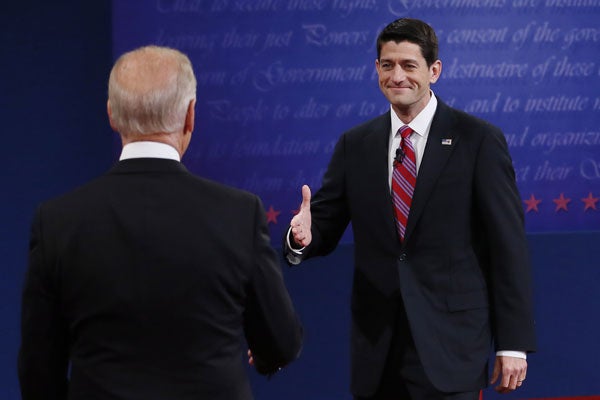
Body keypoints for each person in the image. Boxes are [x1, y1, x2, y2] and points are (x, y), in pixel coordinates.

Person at [19, 45, 303, 400]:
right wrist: (264, 357)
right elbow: (281, 343)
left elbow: (39, 371)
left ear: (112, 114)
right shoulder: (240, 214)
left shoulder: (57, 222)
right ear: (190, 115)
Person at [284, 18, 536, 400]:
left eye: (408, 65)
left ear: (434, 71)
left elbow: (508, 245)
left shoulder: (477, 140)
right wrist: (302, 236)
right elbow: (325, 224)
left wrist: (512, 343)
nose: (397, 76)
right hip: (378, 349)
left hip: (451, 348)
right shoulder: (356, 144)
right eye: (387, 65)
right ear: (376, 69)